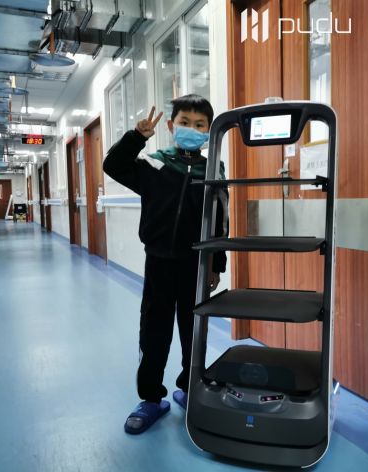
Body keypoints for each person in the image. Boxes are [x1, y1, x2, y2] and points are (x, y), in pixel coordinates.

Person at [103, 94, 228, 435]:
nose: (191, 129)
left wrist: (216, 264)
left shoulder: (213, 171)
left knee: (194, 332)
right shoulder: (154, 164)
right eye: (185, 122)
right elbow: (113, 166)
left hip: (195, 265)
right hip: (158, 262)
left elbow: (220, 221)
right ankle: (151, 399)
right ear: (172, 126)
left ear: (209, 131)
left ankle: (190, 388)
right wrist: (136, 137)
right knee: (154, 332)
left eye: (199, 125)